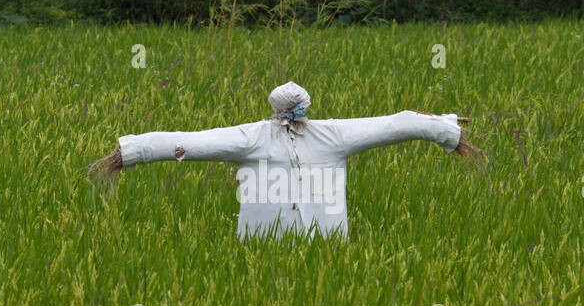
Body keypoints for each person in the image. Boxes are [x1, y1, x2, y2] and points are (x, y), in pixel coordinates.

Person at [90, 81, 484, 239]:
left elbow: (185, 142)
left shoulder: (256, 136)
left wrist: (128, 153)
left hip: (308, 244)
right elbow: (398, 124)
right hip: (283, 245)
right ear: (304, 106)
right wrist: (445, 130)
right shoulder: (328, 134)